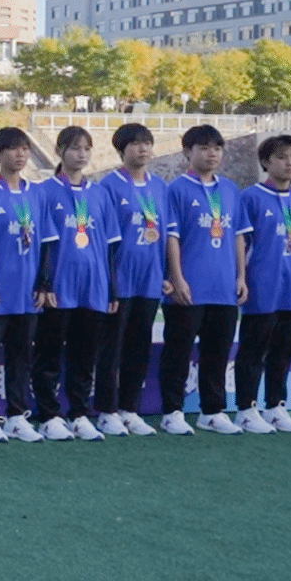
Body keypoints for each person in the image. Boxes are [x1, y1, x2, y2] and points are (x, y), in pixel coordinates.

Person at [0, 127, 55, 443]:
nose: (20, 155)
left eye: (25, 149)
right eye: (13, 149)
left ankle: (17, 416)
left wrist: (44, 284)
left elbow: (47, 242)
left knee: (21, 358)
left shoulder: (37, 193)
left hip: (27, 295)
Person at [160, 125, 250, 436]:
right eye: (204, 148)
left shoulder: (230, 190)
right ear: (188, 152)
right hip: (189, 288)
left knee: (218, 353)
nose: (212, 154)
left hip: (223, 288)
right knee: (178, 353)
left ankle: (212, 411)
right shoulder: (176, 189)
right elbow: (171, 237)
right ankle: (172, 412)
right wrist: (177, 278)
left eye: (217, 148)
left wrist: (241, 276)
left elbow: (238, 236)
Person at [32, 127, 118, 442]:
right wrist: (44, 283)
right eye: (74, 148)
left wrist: (112, 288)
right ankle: (48, 415)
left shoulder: (100, 194)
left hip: (93, 287)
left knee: (85, 355)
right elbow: (41, 244)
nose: (81, 154)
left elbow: (111, 245)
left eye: (86, 149)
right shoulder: (44, 192)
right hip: (58, 287)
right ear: (59, 151)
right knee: (49, 353)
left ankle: (79, 413)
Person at [94, 123, 175, 436]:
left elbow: (164, 233)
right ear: (121, 149)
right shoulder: (108, 186)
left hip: (150, 279)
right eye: (136, 144)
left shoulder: (160, 187)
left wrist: (166, 274)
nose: (143, 149)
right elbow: (105, 238)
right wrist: (108, 281)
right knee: (111, 348)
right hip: (119, 280)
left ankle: (130, 409)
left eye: (147, 143)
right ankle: (107, 411)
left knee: (139, 347)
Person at [234, 134, 291, 434]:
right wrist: (241, 278)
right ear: (266, 162)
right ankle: (246, 409)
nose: (289, 163)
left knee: (284, 352)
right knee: (253, 351)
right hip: (262, 287)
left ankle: (276, 407)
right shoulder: (251, 197)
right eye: (281, 157)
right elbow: (241, 243)